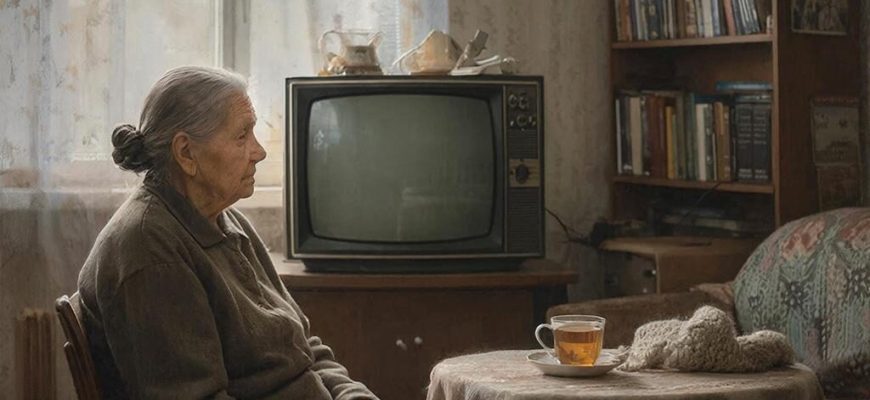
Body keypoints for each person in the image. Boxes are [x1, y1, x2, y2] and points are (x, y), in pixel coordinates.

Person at [77, 66, 379, 400]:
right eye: (242, 136)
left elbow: (303, 346)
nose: (259, 152)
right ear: (186, 153)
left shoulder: (224, 218)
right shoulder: (149, 250)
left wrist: (351, 394)